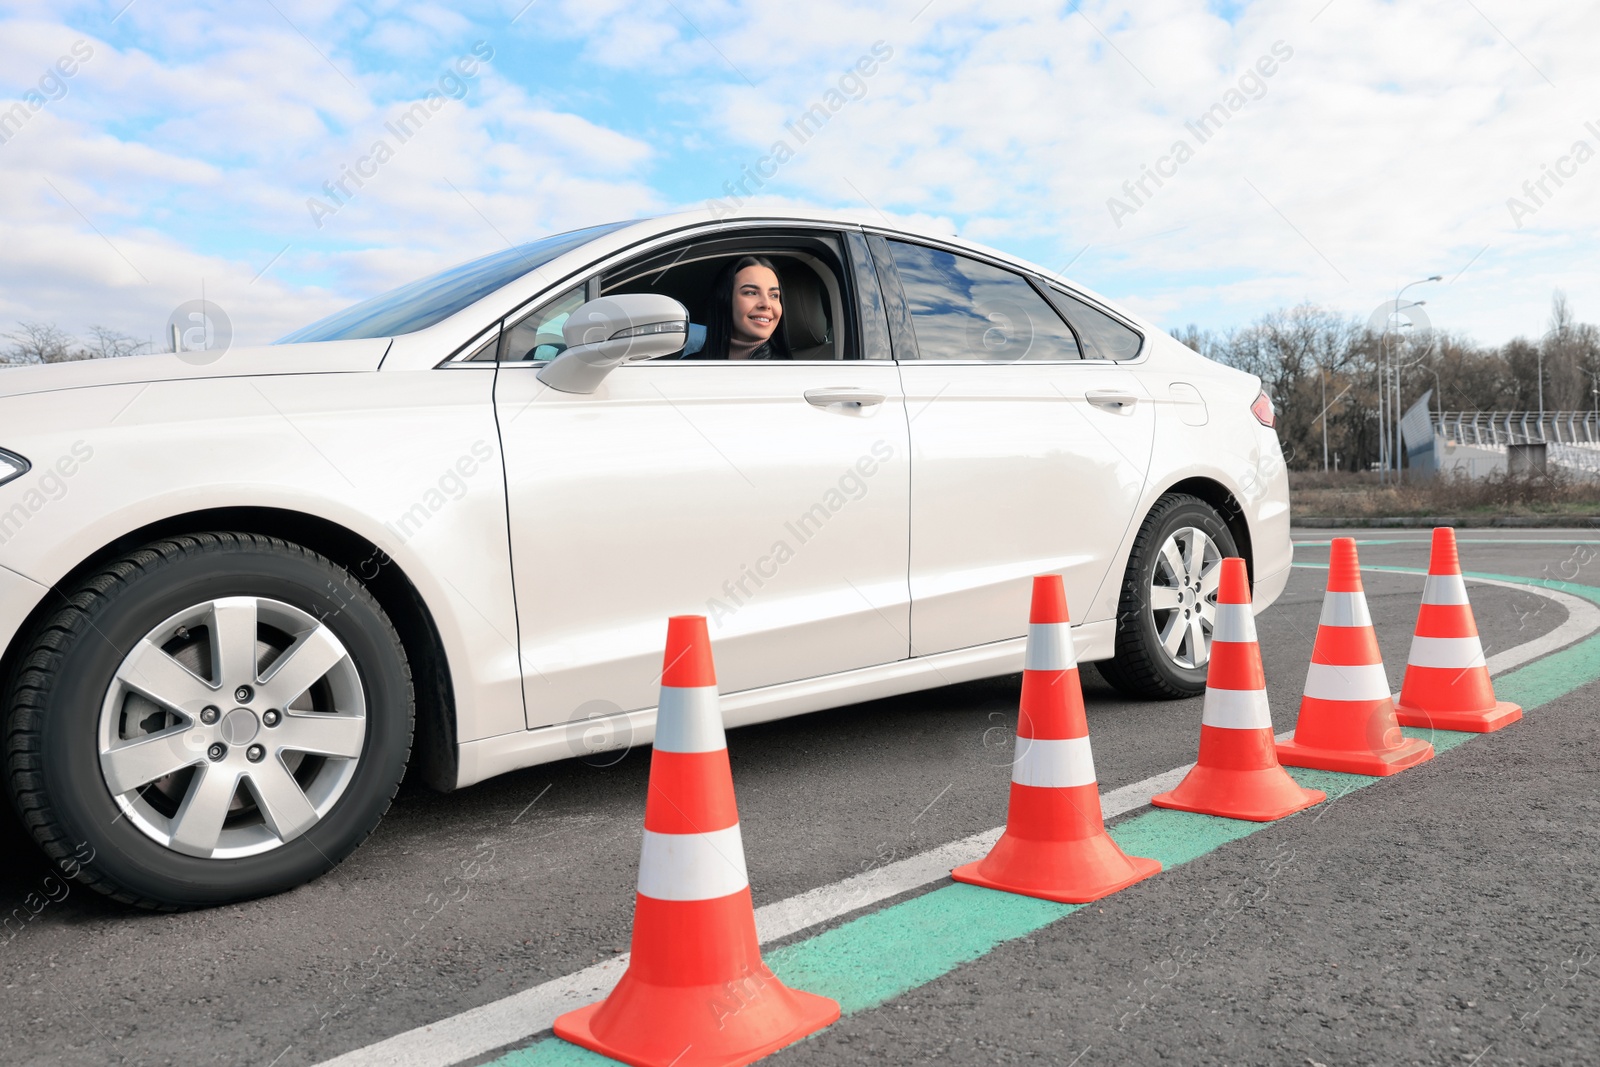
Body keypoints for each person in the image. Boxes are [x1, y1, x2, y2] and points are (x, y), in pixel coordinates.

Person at [683, 256, 791, 360]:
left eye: (774, 295)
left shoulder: (791, 375)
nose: (766, 304)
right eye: (751, 293)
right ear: (725, 301)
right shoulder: (686, 369)